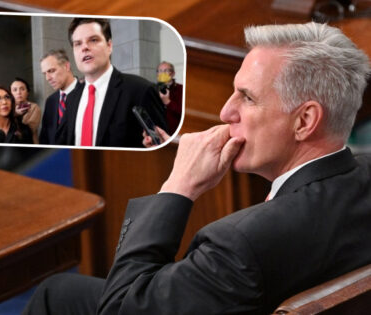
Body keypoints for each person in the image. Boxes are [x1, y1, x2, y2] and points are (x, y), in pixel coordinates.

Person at [23, 22, 371, 315]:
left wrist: (179, 185)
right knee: (59, 291)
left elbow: (120, 307)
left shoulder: (239, 245)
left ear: (305, 120)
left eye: (247, 98)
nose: (225, 112)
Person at [61, 18, 167, 147]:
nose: (85, 47)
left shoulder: (141, 90)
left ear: (109, 46)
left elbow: (163, 148)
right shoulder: (72, 98)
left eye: (93, 40)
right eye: (78, 44)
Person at [39, 49, 81, 144]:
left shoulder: (86, 94)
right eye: (45, 73)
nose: (48, 78)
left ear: (66, 66)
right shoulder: (50, 101)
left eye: (51, 71)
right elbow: (45, 138)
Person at [10, 78, 41, 144]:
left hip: (29, 143)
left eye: (22, 89)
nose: (18, 92)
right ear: (10, 93)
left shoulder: (34, 107)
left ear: (27, 92)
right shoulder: (8, 107)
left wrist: (16, 115)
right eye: (15, 90)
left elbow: (30, 129)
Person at [157, 61, 183, 133]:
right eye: (160, 71)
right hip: (159, 131)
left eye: (166, 71)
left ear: (173, 73)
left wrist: (168, 102)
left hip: (175, 131)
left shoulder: (181, 89)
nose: (163, 73)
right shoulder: (153, 89)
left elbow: (182, 112)